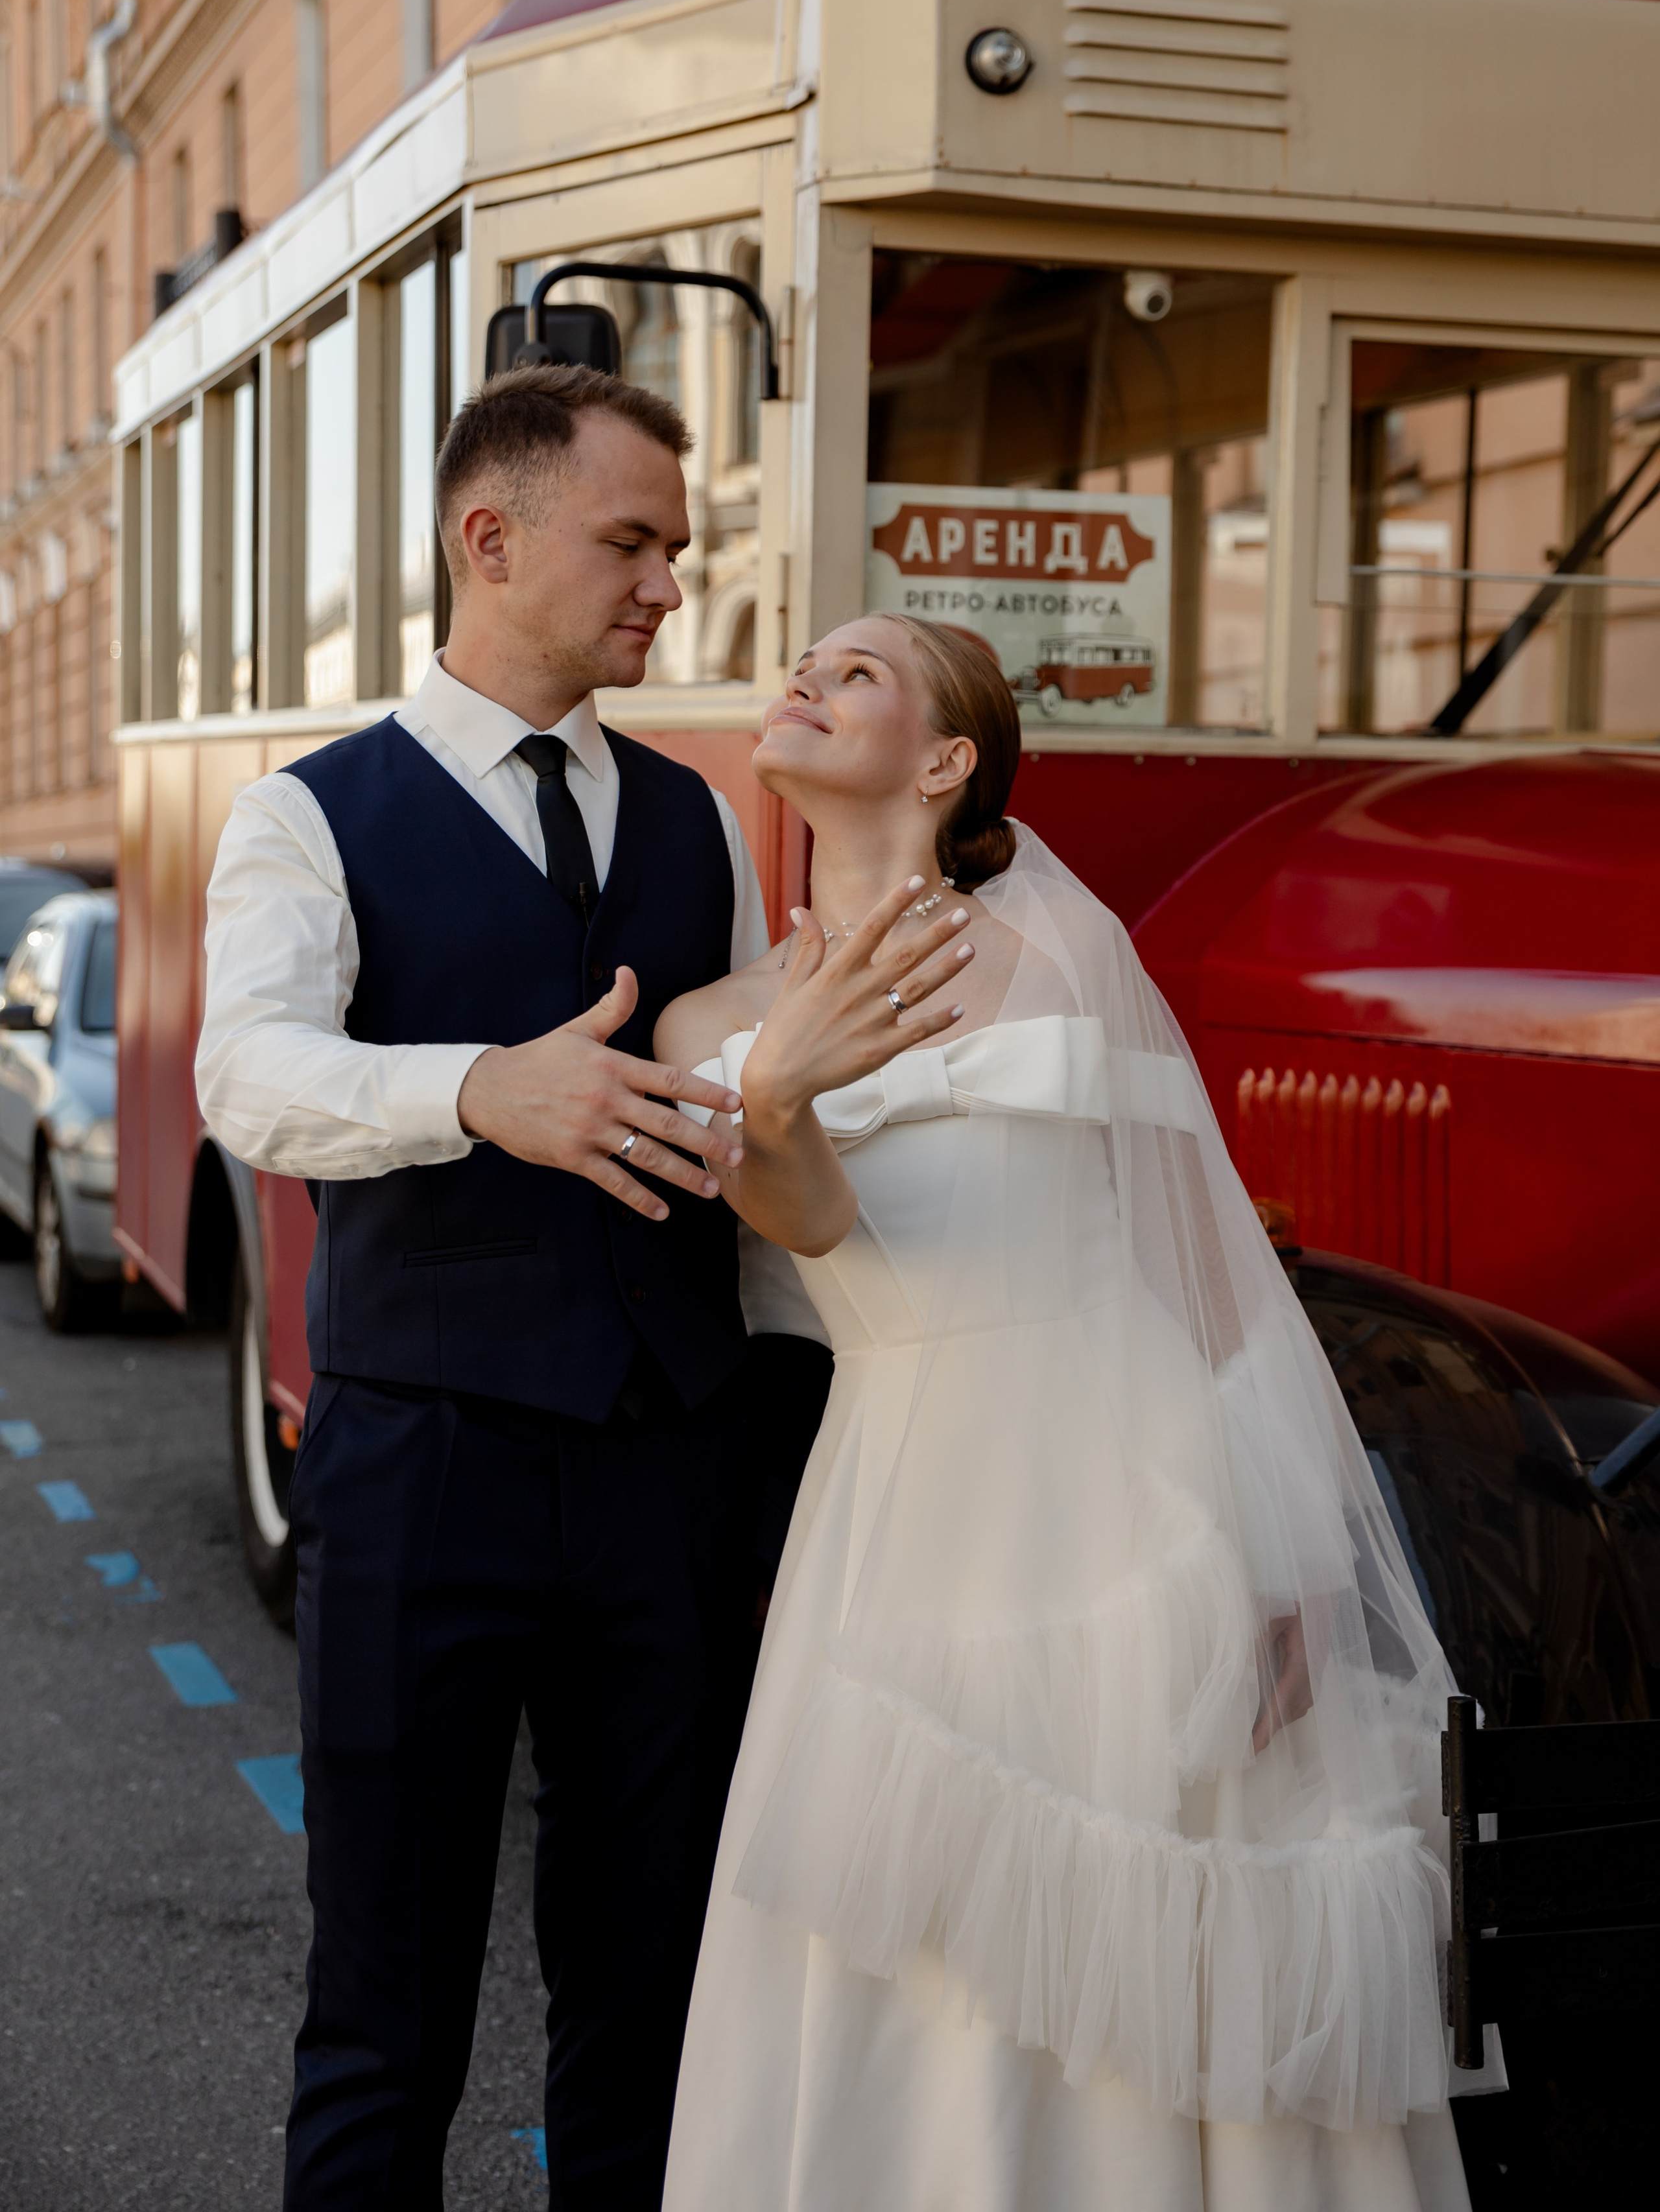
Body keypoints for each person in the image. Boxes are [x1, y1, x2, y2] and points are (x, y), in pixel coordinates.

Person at [656, 615, 1474, 2212]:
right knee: (927, 1968)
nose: (806, 678)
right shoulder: (710, 1023)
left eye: (859, 670)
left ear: (946, 759)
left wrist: (1283, 1553)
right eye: (803, 663)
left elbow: (1211, 1284)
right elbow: (806, 1226)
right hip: (906, 1513)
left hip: (1143, 1510)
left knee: (1156, 1981)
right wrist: (775, 1087)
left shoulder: (1062, 954)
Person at [195, 364, 831, 2211]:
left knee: (652, 2006)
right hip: (426, 1474)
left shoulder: (701, 822)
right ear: (493, 537)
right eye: (632, 543)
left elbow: (726, 1133)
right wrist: (480, 1086)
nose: (668, 586)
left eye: (676, 551)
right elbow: (247, 1076)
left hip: (670, 1477)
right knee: (384, 2020)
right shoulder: (308, 819)